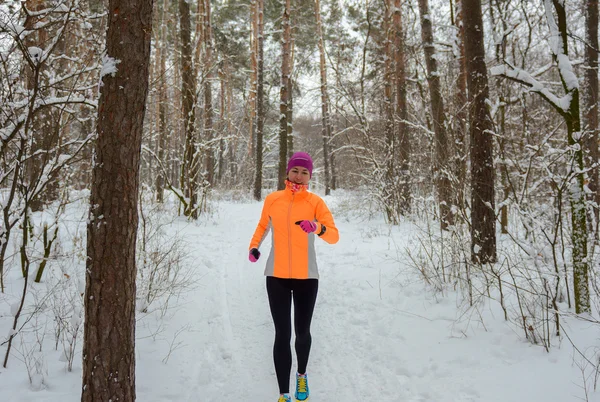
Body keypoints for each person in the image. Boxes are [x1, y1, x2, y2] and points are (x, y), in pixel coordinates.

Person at [248, 152, 339, 402]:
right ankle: (283, 393)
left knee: (302, 332)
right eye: (295, 170)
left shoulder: (315, 203)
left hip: (306, 277)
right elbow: (262, 226)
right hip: (276, 275)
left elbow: (333, 235)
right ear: (287, 171)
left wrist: (317, 227)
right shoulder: (273, 199)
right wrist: (254, 247)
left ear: (310, 176)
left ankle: (301, 375)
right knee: (282, 334)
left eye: (304, 172)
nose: (299, 175)